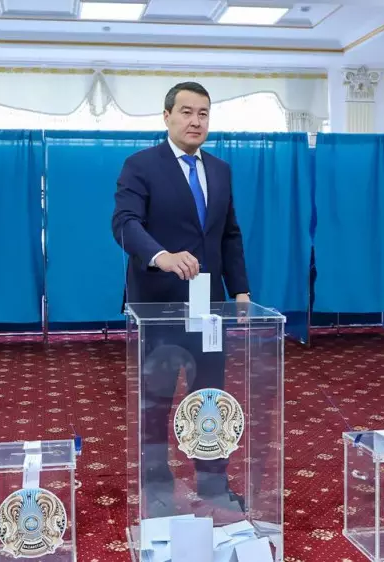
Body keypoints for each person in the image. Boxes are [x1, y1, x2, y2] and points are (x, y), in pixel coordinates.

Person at [111, 82, 250, 518]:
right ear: (167, 116)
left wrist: (240, 290)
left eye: (203, 113)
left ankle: (213, 483)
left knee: (210, 398)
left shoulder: (221, 170)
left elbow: (228, 234)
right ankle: (156, 487)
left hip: (209, 308)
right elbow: (124, 223)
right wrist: (162, 256)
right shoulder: (141, 165)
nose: (195, 121)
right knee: (156, 400)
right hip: (158, 307)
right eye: (187, 112)